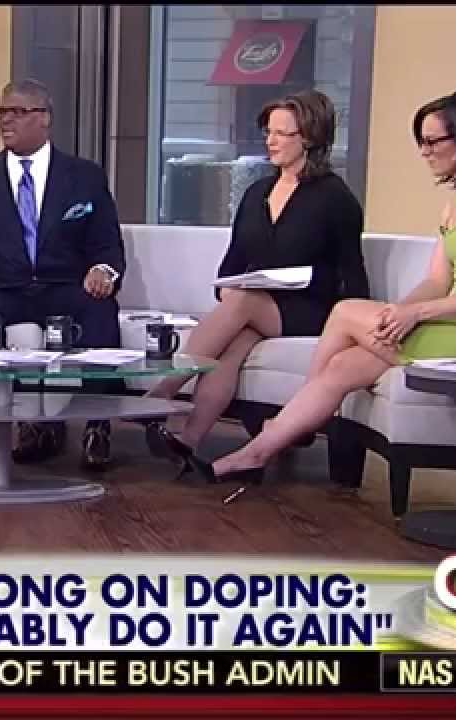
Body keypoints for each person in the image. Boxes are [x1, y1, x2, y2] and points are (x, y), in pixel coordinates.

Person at [181, 89, 456, 493]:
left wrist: (416, 314)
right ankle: (255, 454)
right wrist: (398, 312)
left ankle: (284, 424)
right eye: (421, 141)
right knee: (343, 367)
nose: (424, 152)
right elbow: (437, 281)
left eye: (432, 141)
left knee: (345, 311)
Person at [143, 89, 367, 460]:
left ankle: (162, 392)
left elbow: (352, 276)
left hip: (312, 310)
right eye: (268, 132)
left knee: (245, 303)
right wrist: (228, 292)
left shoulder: (335, 198)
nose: (270, 141)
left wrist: (352, 330)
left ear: (309, 138)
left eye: (281, 133)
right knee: (232, 347)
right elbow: (231, 266)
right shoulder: (256, 193)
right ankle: (189, 441)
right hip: (258, 306)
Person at [0, 79, 127, 470]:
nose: (6, 121)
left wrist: (103, 270)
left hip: (63, 286)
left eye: (17, 112)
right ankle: (28, 423)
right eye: (2, 112)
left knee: (100, 310)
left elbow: (108, 244)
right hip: (0, 288)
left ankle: (98, 425)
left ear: (44, 118)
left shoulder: (85, 177)